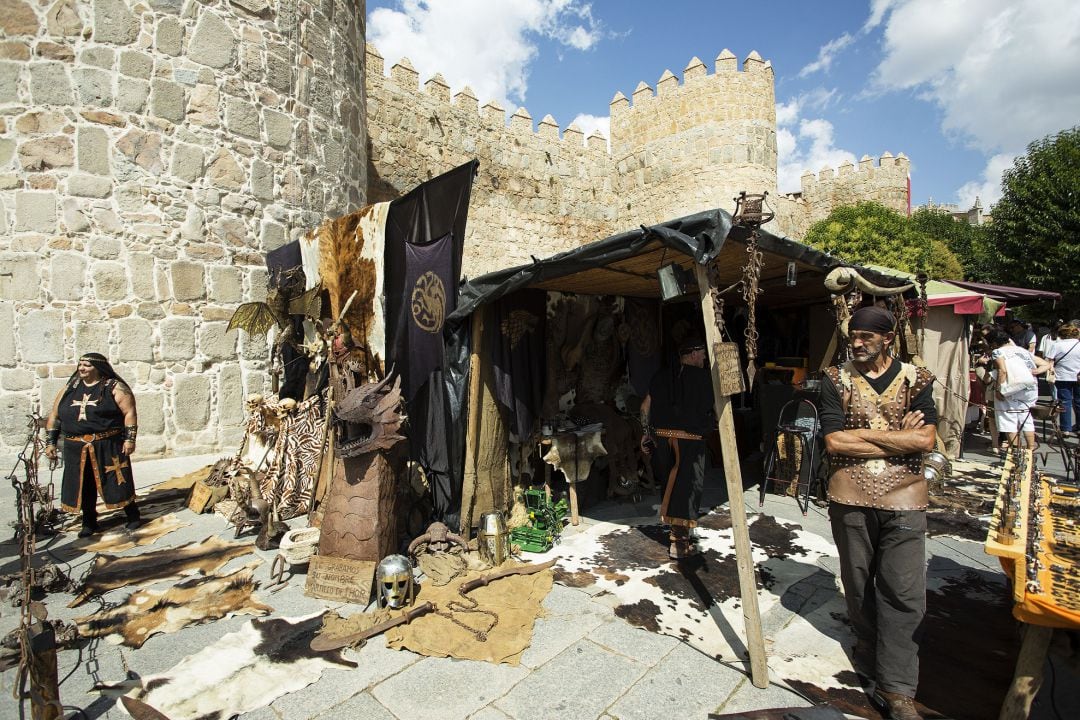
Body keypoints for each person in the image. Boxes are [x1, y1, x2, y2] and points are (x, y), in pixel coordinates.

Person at [819, 306, 937, 720]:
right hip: (849, 496)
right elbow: (835, 442)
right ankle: (869, 640)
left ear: (887, 338)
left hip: (905, 497)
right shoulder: (835, 379)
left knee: (904, 592)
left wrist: (866, 436)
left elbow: (925, 440)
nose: (857, 342)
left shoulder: (916, 379)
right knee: (857, 583)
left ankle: (898, 689)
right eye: (853, 335)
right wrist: (895, 437)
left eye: (867, 337)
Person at [43, 353, 141, 537]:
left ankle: (133, 515)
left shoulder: (114, 386)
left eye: (86, 365)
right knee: (83, 484)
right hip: (76, 447)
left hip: (107, 444)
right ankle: (89, 521)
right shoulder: (70, 388)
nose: (81, 368)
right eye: (80, 365)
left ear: (98, 367)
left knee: (117, 480)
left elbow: (129, 413)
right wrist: (50, 443)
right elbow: (54, 416)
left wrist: (130, 439)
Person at [640, 335, 715, 559]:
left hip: (662, 440)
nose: (703, 358)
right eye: (702, 353)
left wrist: (645, 434)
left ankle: (676, 534)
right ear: (693, 354)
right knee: (686, 491)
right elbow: (715, 408)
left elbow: (645, 407)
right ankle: (679, 544)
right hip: (689, 442)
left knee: (671, 488)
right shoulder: (703, 377)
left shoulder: (660, 375)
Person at [987, 329, 1051, 452]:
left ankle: (1016, 452)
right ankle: (1030, 450)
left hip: (1011, 389)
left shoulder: (998, 352)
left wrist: (999, 389)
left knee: (1008, 420)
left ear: (994, 342)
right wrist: (1036, 371)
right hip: (1030, 387)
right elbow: (1046, 364)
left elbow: (1002, 370)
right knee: (1026, 418)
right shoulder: (1022, 351)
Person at [1049, 324, 1080, 436]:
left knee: (1064, 402)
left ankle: (1065, 429)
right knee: (1079, 402)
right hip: (1078, 376)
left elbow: (1050, 360)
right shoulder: (1079, 344)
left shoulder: (1057, 345)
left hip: (1062, 376)